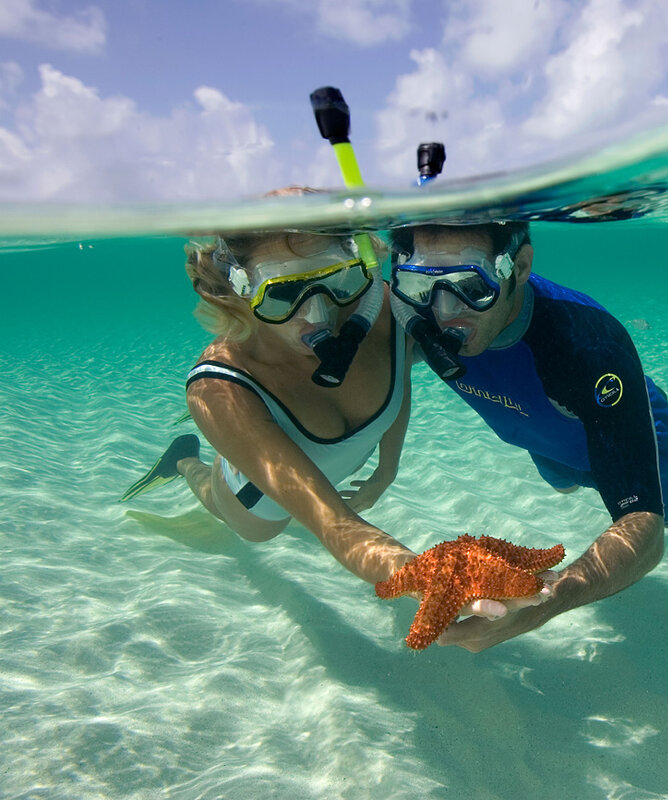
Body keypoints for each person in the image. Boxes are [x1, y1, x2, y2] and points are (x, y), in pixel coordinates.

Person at [388, 221, 668, 651]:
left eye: (470, 286)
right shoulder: (410, 312)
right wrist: (386, 468)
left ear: (520, 266)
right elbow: (384, 376)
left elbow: (643, 530)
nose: (442, 311)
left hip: (623, 424)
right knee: (566, 485)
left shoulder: (587, 347)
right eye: (422, 285)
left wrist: (545, 604)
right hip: (545, 434)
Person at [121, 226, 548, 622]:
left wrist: (388, 467)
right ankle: (184, 462)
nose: (319, 314)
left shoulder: (382, 308)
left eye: (337, 280)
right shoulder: (218, 390)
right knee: (237, 518)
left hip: (330, 464)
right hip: (255, 501)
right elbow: (334, 523)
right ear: (242, 288)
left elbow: (396, 379)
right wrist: (435, 578)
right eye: (284, 292)